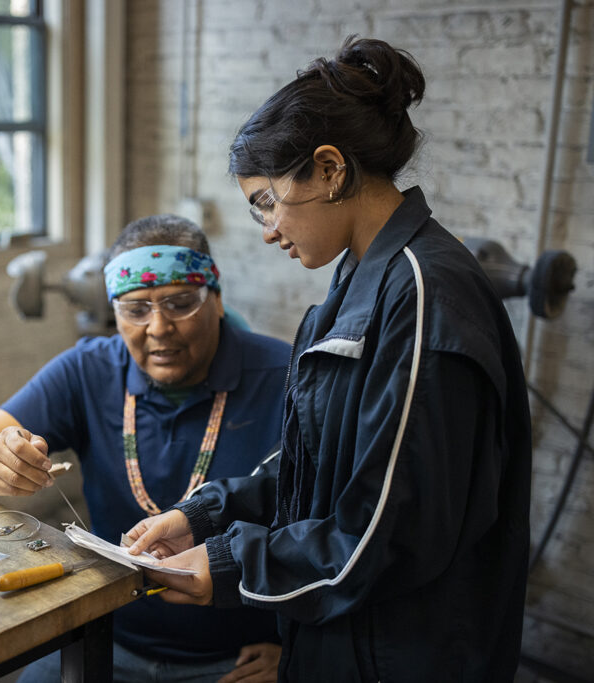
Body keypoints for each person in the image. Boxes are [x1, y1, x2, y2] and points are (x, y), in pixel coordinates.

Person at [125, 37, 532, 682]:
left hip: (398, 656)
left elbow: (388, 534)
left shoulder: (426, 296)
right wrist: (204, 514)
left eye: (266, 201)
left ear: (330, 169)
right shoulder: (359, 284)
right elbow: (319, 454)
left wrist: (230, 564)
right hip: (345, 640)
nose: (266, 229)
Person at [0, 214, 289, 682]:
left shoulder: (286, 377)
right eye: (135, 309)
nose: (158, 328)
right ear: (114, 311)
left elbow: (330, 528)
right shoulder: (89, 369)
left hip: (236, 657)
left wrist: (293, 650)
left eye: (179, 303)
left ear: (216, 298)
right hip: (104, 630)